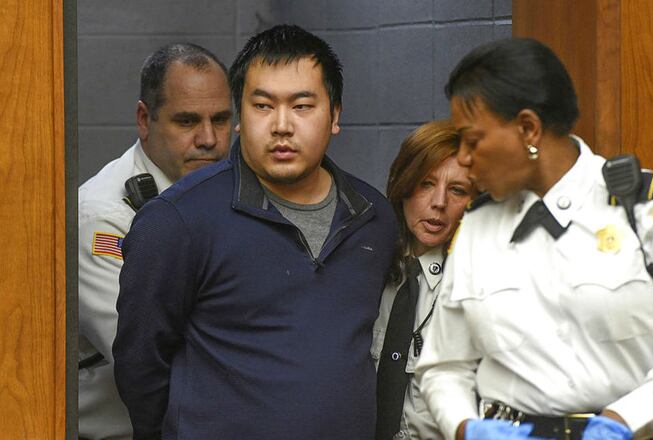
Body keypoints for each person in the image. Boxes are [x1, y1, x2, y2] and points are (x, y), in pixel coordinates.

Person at [415, 38, 653, 440]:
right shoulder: (478, 226)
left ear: (528, 129)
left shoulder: (649, 207)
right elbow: (444, 366)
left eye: (472, 140)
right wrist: (466, 428)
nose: (463, 157)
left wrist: (621, 422)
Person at [112, 24, 398, 440]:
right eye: (263, 106)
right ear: (240, 116)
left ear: (335, 115)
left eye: (302, 106)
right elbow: (140, 367)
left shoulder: (373, 217)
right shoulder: (176, 221)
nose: (281, 125)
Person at [78, 43, 232, 440]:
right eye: (187, 121)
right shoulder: (103, 217)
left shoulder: (229, 194)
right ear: (145, 120)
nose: (209, 139)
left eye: (220, 119)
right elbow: (148, 355)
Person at [373, 120, 476, 440]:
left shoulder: (476, 286)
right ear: (402, 186)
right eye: (426, 184)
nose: (439, 202)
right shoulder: (366, 267)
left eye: (457, 190)